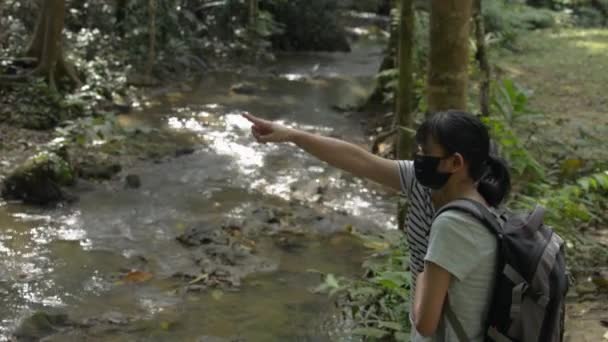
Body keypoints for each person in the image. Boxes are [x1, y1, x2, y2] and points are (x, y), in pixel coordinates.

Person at [243, 111, 509, 340]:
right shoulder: (426, 185)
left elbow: (426, 322)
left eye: (426, 153)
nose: (418, 159)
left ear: (455, 163)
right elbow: (359, 160)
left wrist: (422, 272)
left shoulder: (459, 224)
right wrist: (292, 135)